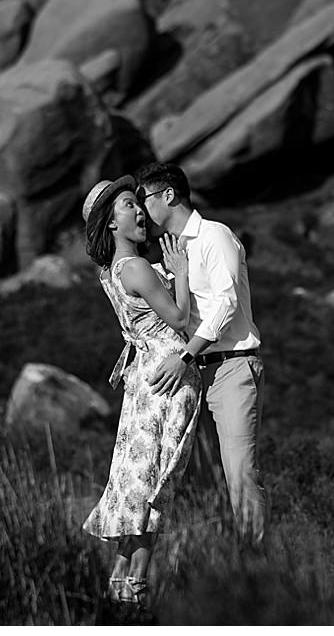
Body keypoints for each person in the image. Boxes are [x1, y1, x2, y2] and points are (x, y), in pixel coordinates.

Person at [80, 175, 202, 609]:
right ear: (111, 225)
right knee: (158, 483)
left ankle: (120, 582)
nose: (139, 212)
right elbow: (183, 319)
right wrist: (183, 272)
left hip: (141, 378)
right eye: (129, 206)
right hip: (168, 376)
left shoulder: (109, 273)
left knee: (138, 478)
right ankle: (137, 585)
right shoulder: (135, 267)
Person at [134, 163, 267, 542]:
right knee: (203, 480)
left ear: (169, 195)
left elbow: (224, 306)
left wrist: (186, 357)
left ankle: (254, 573)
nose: (142, 209)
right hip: (196, 375)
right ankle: (216, 570)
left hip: (230, 368)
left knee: (241, 475)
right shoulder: (176, 250)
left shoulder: (214, 236)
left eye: (145, 198)